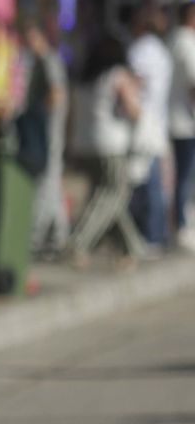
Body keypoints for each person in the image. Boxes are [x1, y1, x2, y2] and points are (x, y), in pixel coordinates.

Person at [66, 34, 147, 264]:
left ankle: (131, 248)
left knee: (108, 197)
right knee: (113, 195)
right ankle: (79, 242)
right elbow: (133, 109)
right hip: (110, 144)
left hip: (84, 144)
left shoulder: (84, 79)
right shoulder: (117, 75)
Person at [127, 4, 173, 250]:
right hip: (157, 122)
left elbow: (135, 82)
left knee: (146, 181)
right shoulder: (161, 51)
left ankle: (151, 235)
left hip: (143, 122)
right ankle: (157, 233)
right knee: (153, 180)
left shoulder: (141, 49)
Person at [24, 20, 71, 257]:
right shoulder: (38, 62)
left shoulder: (48, 61)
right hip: (44, 129)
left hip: (48, 130)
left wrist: (40, 114)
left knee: (47, 180)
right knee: (51, 181)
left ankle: (39, 235)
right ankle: (58, 235)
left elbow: (57, 93)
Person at [167, 1, 195, 250]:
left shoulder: (173, 40)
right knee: (185, 175)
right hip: (187, 122)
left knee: (181, 174)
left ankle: (181, 222)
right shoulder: (187, 42)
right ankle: (183, 226)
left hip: (176, 119)